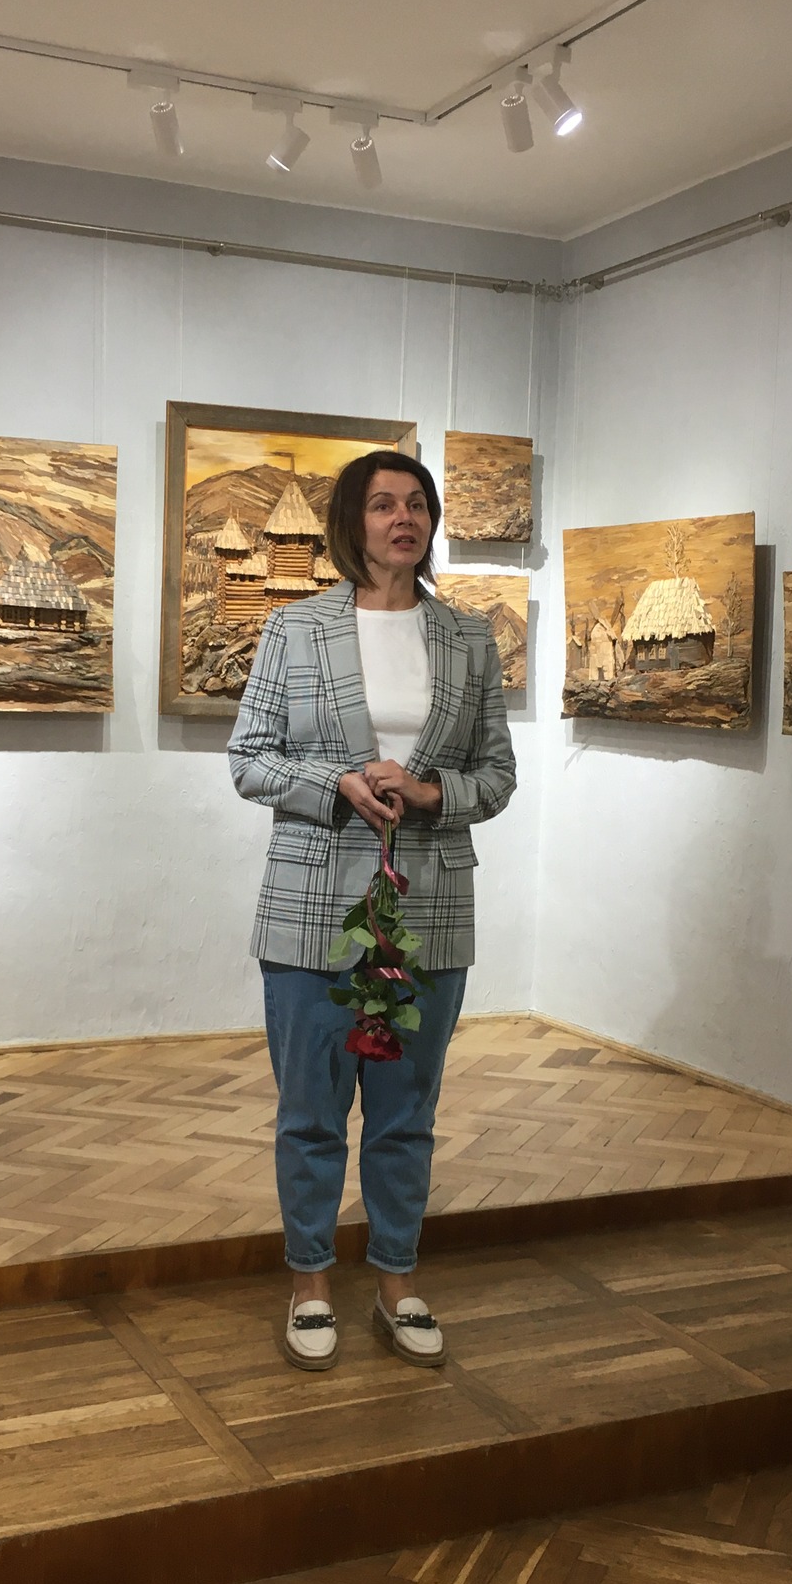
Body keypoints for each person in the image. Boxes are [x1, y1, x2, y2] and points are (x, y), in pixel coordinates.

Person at [228, 451, 517, 1372]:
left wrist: (430, 793)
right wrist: (336, 783)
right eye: (384, 503)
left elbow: (498, 776)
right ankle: (311, 1281)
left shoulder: (468, 637)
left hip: (429, 907)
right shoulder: (295, 629)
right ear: (352, 522)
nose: (405, 518)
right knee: (311, 1111)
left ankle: (396, 1278)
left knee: (405, 1113)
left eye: (418, 504)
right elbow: (250, 759)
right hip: (310, 905)